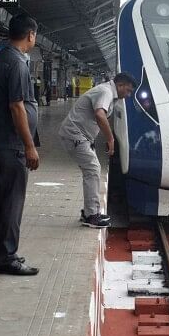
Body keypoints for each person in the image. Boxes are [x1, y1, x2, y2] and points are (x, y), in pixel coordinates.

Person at [0, 13, 40, 276]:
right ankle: (8, 257)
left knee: (2, 199)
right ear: (31, 35)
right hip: (12, 144)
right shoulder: (17, 64)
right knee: (13, 200)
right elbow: (17, 106)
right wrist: (29, 146)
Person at [57, 73, 136, 228]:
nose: (128, 95)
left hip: (80, 136)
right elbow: (100, 115)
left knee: (91, 170)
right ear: (120, 85)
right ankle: (92, 216)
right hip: (74, 134)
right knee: (93, 169)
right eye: (128, 90)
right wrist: (110, 139)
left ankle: (90, 212)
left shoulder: (108, 92)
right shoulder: (106, 91)